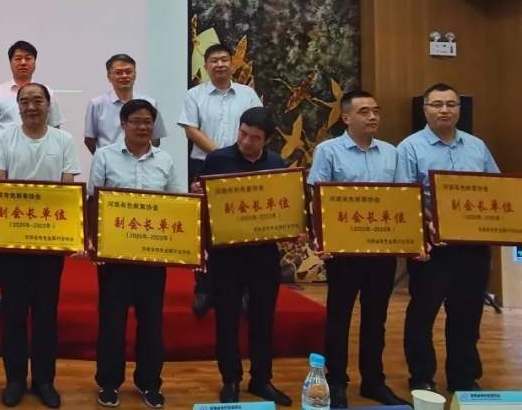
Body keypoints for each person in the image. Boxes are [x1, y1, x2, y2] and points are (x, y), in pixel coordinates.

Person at [395, 83, 500, 394]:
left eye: (451, 104)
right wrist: (427, 224)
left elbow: (496, 189)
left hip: (473, 246)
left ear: (459, 110)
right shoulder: (409, 148)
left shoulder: (477, 146)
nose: (445, 110)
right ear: (425, 109)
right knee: (422, 314)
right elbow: (404, 196)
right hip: (433, 247)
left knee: (467, 314)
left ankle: (463, 377)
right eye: (437, 104)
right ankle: (421, 377)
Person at [307, 91, 408, 409]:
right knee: (339, 318)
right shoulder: (328, 151)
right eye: (364, 111)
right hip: (344, 253)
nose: (373, 116)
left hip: (381, 251)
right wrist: (321, 239)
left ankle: (373, 381)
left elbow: (403, 198)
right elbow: (317, 199)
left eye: (376, 110)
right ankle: (336, 382)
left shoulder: (391, 152)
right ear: (346, 117)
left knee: (376, 318)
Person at [0, 83, 81, 409]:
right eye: (24, 101)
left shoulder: (63, 140)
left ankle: (44, 381)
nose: (31, 106)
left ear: (48, 105)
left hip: (48, 246)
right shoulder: (4, 138)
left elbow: (68, 191)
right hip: (11, 245)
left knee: (45, 315)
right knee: (13, 314)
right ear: (18, 107)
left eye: (38, 100)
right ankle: (14, 380)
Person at [197, 106, 293, 406]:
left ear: (267, 140)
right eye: (242, 133)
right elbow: (203, 202)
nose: (246, 142)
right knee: (226, 318)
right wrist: (199, 193)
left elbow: (285, 204)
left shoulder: (276, 163)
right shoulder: (218, 159)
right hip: (226, 255)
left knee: (263, 317)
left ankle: (261, 379)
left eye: (254, 138)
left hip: (263, 254)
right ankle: (231, 379)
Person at [87, 99, 178, 409]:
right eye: (136, 121)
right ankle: (109, 383)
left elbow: (176, 206)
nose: (142, 127)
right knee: (112, 321)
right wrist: (94, 242)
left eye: (147, 122)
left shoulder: (165, 160)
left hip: (152, 257)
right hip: (114, 258)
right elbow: (93, 201)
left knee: (151, 322)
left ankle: (149, 382)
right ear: (123, 125)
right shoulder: (104, 156)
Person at [0, 39, 64, 309]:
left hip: (43, 178)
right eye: (18, 58)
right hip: (8, 172)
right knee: (7, 237)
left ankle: (38, 295)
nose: (23, 62)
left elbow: (57, 132)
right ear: (10, 62)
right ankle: (8, 291)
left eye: (28, 57)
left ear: (35, 62)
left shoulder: (48, 93)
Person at [177, 43, 261, 317]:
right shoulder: (195, 95)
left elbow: (258, 125)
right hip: (206, 165)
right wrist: (223, 155)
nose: (220, 64)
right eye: (214, 60)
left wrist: (236, 156)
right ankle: (205, 289)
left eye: (224, 59)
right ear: (206, 66)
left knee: (242, 228)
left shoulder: (247, 94)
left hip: (244, 167)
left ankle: (244, 290)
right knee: (205, 229)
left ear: (232, 64)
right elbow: (191, 129)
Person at [84, 54, 167, 155]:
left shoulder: (150, 103)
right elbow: (89, 139)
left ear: (135, 75)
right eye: (118, 73)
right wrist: (102, 158)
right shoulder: (97, 104)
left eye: (128, 72)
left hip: (140, 159)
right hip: (109, 160)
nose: (124, 76)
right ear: (109, 76)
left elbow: (155, 138)